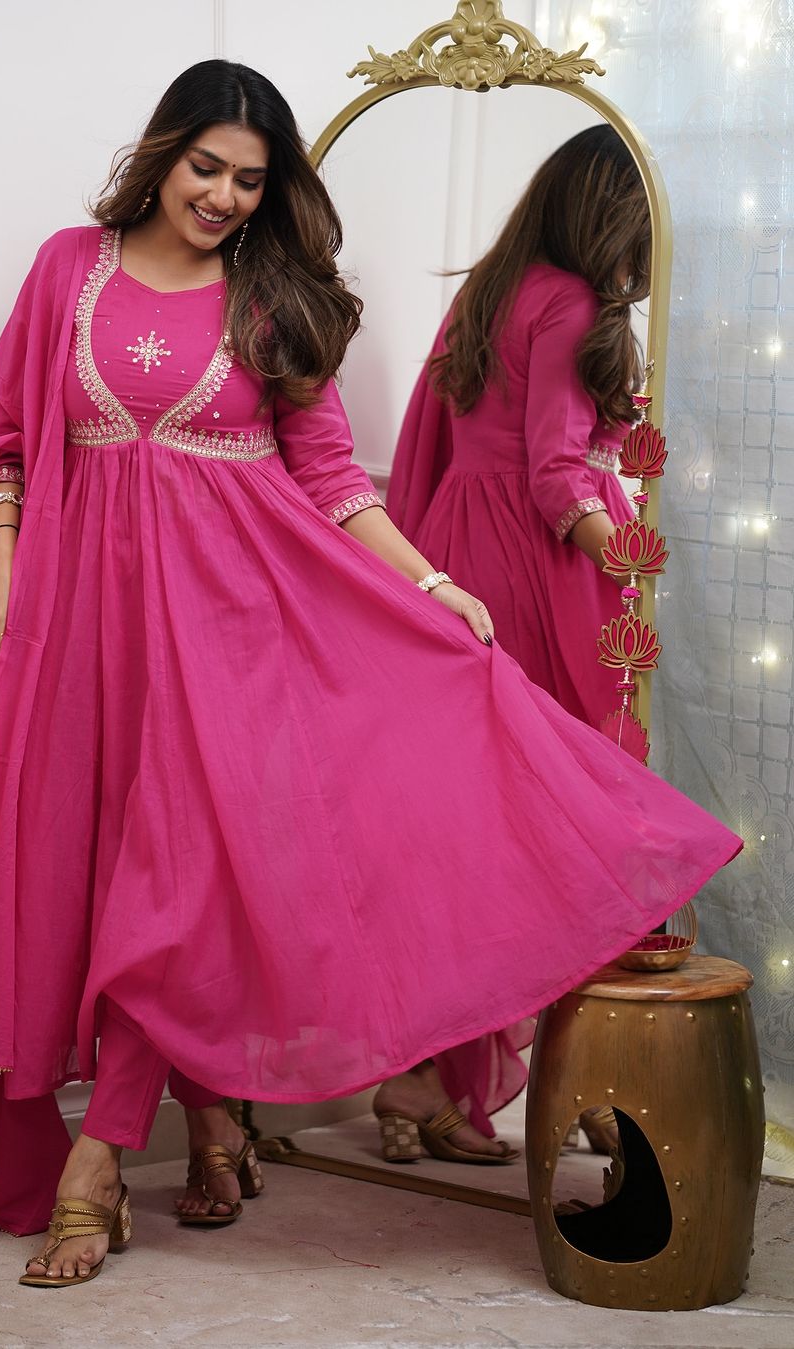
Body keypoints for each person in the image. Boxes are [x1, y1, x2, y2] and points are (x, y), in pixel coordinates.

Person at [0, 65, 740, 1290]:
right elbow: (6, 434)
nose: (226, 197)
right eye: (206, 168)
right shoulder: (68, 267)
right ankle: (218, 1123)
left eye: (250, 178)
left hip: (235, 627)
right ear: (162, 153)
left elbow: (333, 481)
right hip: (79, 628)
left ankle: (100, 1162)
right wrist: (2, 564)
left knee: (170, 888)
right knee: (94, 873)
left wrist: (431, 587)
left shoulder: (273, 295)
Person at [378, 126, 654, 1164]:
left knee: (468, 831)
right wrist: (631, 558)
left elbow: (435, 444)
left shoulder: (490, 289)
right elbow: (552, 478)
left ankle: (427, 1081)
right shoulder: (577, 303)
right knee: (582, 825)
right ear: (615, 219)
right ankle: (581, 1086)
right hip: (538, 576)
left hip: (457, 557)